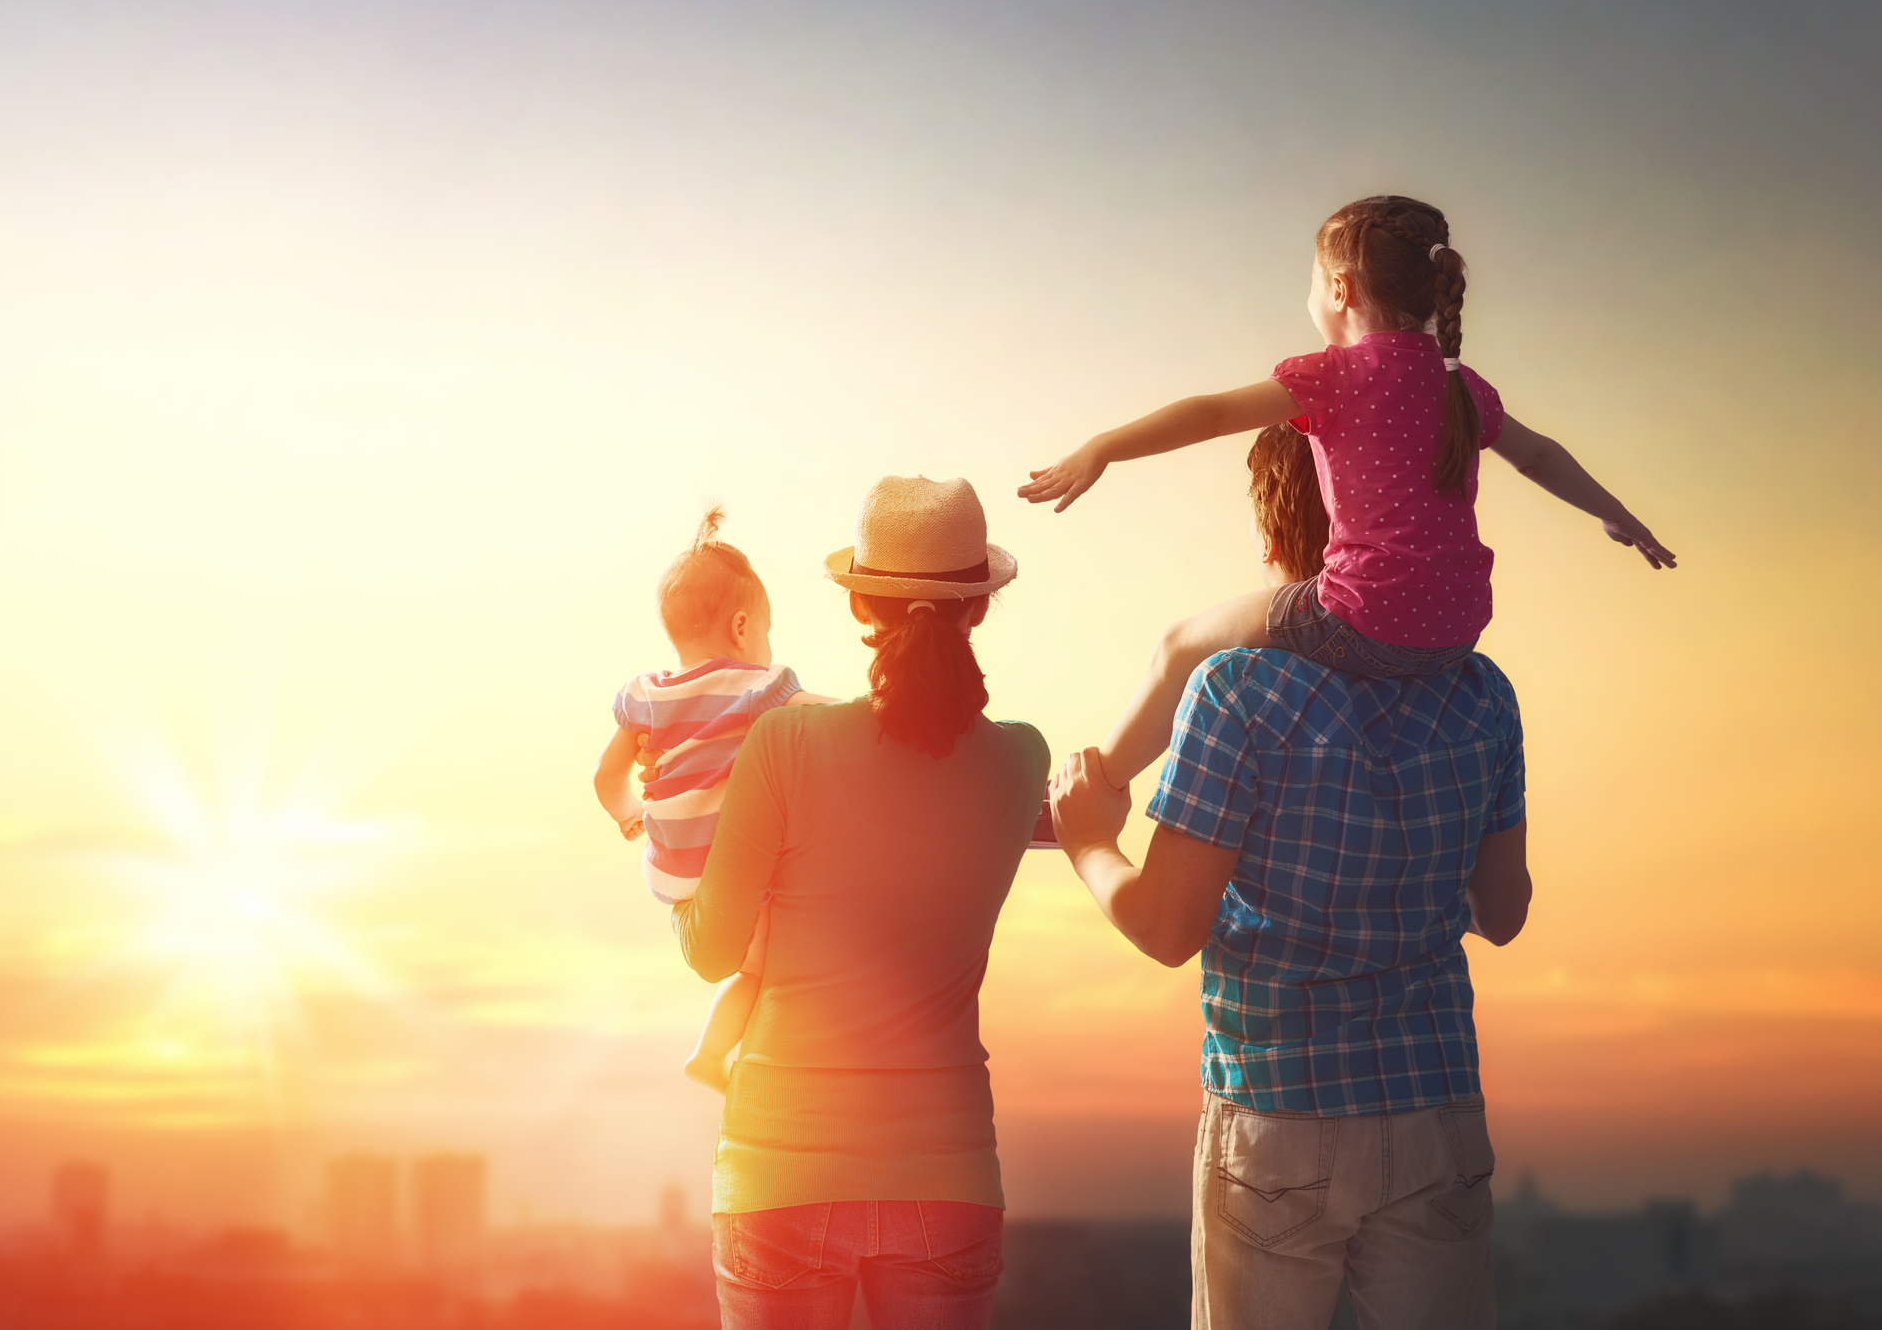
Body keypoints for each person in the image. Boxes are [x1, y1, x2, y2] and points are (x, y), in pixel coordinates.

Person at [1048, 424, 1533, 1327]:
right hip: (1437, 1109)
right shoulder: (1482, 692)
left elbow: (1164, 928)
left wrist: (1086, 843)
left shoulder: (1235, 690)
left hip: (1277, 1117)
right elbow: (1503, 913)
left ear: (1272, 543)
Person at [1019, 194, 1674, 790]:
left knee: (1181, 646)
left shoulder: (1330, 376)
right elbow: (1538, 456)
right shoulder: (1460, 385)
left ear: (1339, 288)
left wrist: (1102, 446)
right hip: (1457, 630)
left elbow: (1212, 414)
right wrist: (1616, 516)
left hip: (1361, 617)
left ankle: (1092, 787)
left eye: (1310, 281)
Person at [673, 476, 1047, 1330]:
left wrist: (672, 856)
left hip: (778, 1177)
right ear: (979, 608)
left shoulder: (785, 745)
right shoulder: (1022, 760)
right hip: (947, 1177)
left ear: (858, 607)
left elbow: (711, 954)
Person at [593, 507, 837, 1092]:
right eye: (768, 630)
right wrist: (880, 710)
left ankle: (712, 1055)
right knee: (765, 970)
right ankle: (712, 1055)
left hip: (676, 881)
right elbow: (827, 718)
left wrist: (630, 815)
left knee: (751, 965)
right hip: (734, 876)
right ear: (743, 626)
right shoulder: (756, 688)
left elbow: (605, 777)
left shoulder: (646, 697)